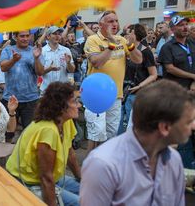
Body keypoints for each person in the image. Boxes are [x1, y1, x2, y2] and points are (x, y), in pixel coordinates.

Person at [80, 80, 193, 205]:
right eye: (188, 121)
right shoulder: (104, 164)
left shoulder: (173, 160)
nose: (193, 126)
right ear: (164, 127)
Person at [6, 82, 82, 206]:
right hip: (28, 182)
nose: (79, 105)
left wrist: (82, 179)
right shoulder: (48, 130)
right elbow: (46, 178)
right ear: (61, 106)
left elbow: (70, 153)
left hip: (52, 178)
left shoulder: (66, 121)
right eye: (74, 102)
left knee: (92, 190)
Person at [83, 10, 142, 153]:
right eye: (110, 21)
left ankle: (106, 165)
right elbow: (97, 63)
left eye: (116, 21)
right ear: (101, 24)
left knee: (111, 134)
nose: (115, 24)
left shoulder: (121, 40)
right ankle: (90, 167)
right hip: (95, 97)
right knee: (97, 134)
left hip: (116, 95)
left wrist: (131, 45)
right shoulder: (92, 40)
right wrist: (110, 45)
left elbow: (138, 60)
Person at [158, 15, 195, 169]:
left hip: (192, 94)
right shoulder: (167, 47)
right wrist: (192, 76)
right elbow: (169, 68)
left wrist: (194, 81)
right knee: (176, 131)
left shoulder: (192, 43)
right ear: (173, 29)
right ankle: (170, 166)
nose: (185, 27)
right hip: (176, 96)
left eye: (186, 24)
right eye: (180, 25)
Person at [0, 30, 44, 130]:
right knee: (8, 132)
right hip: (10, 99)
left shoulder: (35, 51)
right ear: (15, 37)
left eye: (27, 36)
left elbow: (40, 72)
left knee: (30, 133)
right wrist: (13, 60)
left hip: (31, 99)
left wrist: (36, 58)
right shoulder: (7, 50)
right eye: (22, 36)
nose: (25, 39)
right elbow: (3, 68)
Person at [118, 24, 157, 135]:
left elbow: (153, 75)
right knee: (120, 123)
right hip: (123, 92)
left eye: (130, 32)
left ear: (135, 35)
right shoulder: (126, 49)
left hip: (137, 93)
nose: (127, 35)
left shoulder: (146, 51)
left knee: (133, 126)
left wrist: (139, 86)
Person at [39, 26, 75, 95]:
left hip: (63, 90)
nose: (57, 36)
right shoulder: (42, 51)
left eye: (59, 34)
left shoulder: (66, 50)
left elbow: (72, 70)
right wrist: (49, 69)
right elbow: (39, 72)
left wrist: (68, 63)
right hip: (47, 90)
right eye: (55, 34)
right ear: (48, 37)